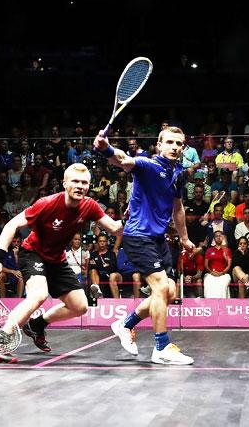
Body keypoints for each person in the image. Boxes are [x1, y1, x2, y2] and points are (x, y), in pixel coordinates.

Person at [0, 163, 123, 364]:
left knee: (80, 306)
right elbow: (12, 224)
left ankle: (36, 325)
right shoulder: (47, 203)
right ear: (64, 183)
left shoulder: (89, 205)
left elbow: (115, 229)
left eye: (84, 182)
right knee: (39, 295)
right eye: (75, 181)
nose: (80, 186)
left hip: (57, 259)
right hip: (33, 253)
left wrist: (130, 219)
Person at [94, 125, 195, 365]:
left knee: (169, 292)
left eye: (179, 144)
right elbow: (123, 160)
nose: (174, 147)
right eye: (169, 142)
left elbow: (177, 207)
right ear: (159, 145)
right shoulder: (148, 165)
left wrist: (183, 238)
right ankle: (162, 347)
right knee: (160, 287)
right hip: (138, 236)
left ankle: (125, 324)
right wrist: (106, 148)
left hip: (158, 239)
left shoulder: (178, 173)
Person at [203, 231, 232, 298]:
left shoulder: (227, 250)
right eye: (216, 236)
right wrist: (211, 272)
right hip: (211, 274)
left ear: (223, 238)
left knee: (222, 284)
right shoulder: (209, 250)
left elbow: (229, 265)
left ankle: (223, 305)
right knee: (208, 283)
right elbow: (206, 265)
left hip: (224, 274)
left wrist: (222, 273)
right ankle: (209, 304)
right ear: (214, 239)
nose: (218, 237)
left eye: (220, 236)